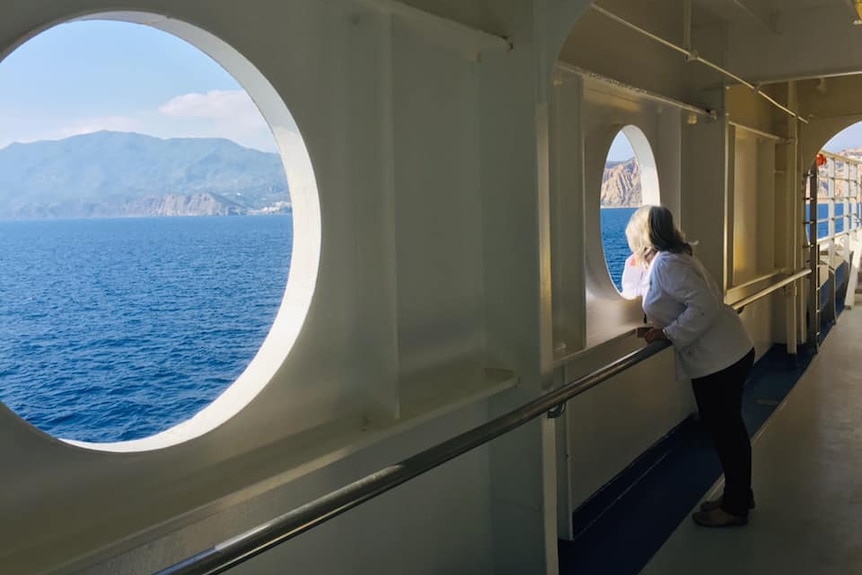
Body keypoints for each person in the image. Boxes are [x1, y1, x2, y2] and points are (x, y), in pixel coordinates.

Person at [623, 204, 756, 528]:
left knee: (727, 433)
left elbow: (705, 305)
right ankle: (738, 495)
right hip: (727, 353)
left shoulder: (668, 264)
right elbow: (662, 296)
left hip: (720, 359)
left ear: (642, 237)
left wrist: (667, 334)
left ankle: (736, 506)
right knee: (729, 431)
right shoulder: (674, 259)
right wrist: (636, 270)